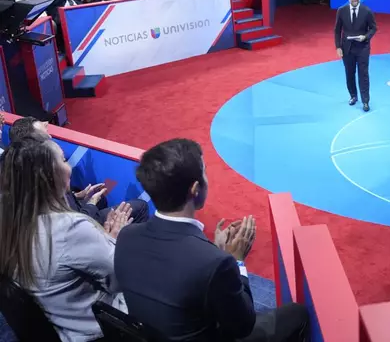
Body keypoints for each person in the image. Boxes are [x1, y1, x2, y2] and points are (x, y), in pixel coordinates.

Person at [114, 138, 309, 342]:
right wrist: (236, 260)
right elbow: (243, 326)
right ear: (195, 189)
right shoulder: (215, 263)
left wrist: (212, 250)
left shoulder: (127, 237)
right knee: (297, 314)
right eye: (205, 171)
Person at [0, 137, 132, 342]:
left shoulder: (9, 226)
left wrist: (102, 240)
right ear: (49, 176)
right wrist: (117, 238)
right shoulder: (70, 228)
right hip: (102, 329)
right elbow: (122, 277)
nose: (68, 166)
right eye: (63, 160)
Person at [8, 116, 150, 225]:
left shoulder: (28, 170)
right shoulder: (43, 177)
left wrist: (78, 196)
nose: (48, 130)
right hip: (80, 220)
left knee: (102, 200)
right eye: (63, 161)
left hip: (76, 211)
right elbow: (74, 220)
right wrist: (91, 204)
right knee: (140, 206)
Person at [334, 0, 377, 112]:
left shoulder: (367, 11)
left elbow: (374, 28)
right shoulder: (341, 11)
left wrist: (365, 37)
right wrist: (338, 47)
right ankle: (353, 96)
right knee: (349, 73)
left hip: (363, 48)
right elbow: (337, 30)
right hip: (347, 48)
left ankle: (365, 101)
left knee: (363, 74)